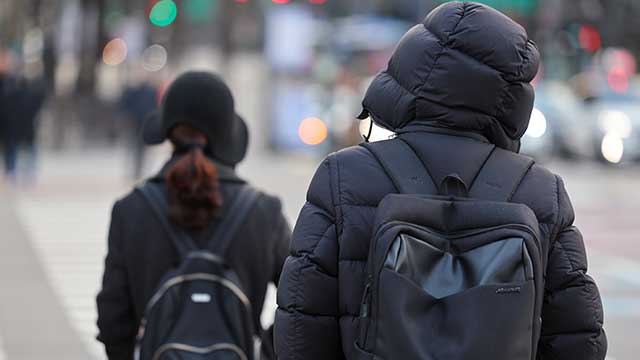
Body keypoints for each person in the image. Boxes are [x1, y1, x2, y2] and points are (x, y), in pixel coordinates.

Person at [275, 2, 606, 360]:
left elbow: (300, 325)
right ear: (512, 95)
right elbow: (579, 338)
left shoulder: (344, 176)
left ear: (411, 72)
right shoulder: (541, 192)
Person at [97, 71, 290, 359]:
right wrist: (266, 349)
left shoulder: (131, 209)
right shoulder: (264, 211)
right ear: (227, 135)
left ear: (167, 132)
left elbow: (113, 319)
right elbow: (305, 298)